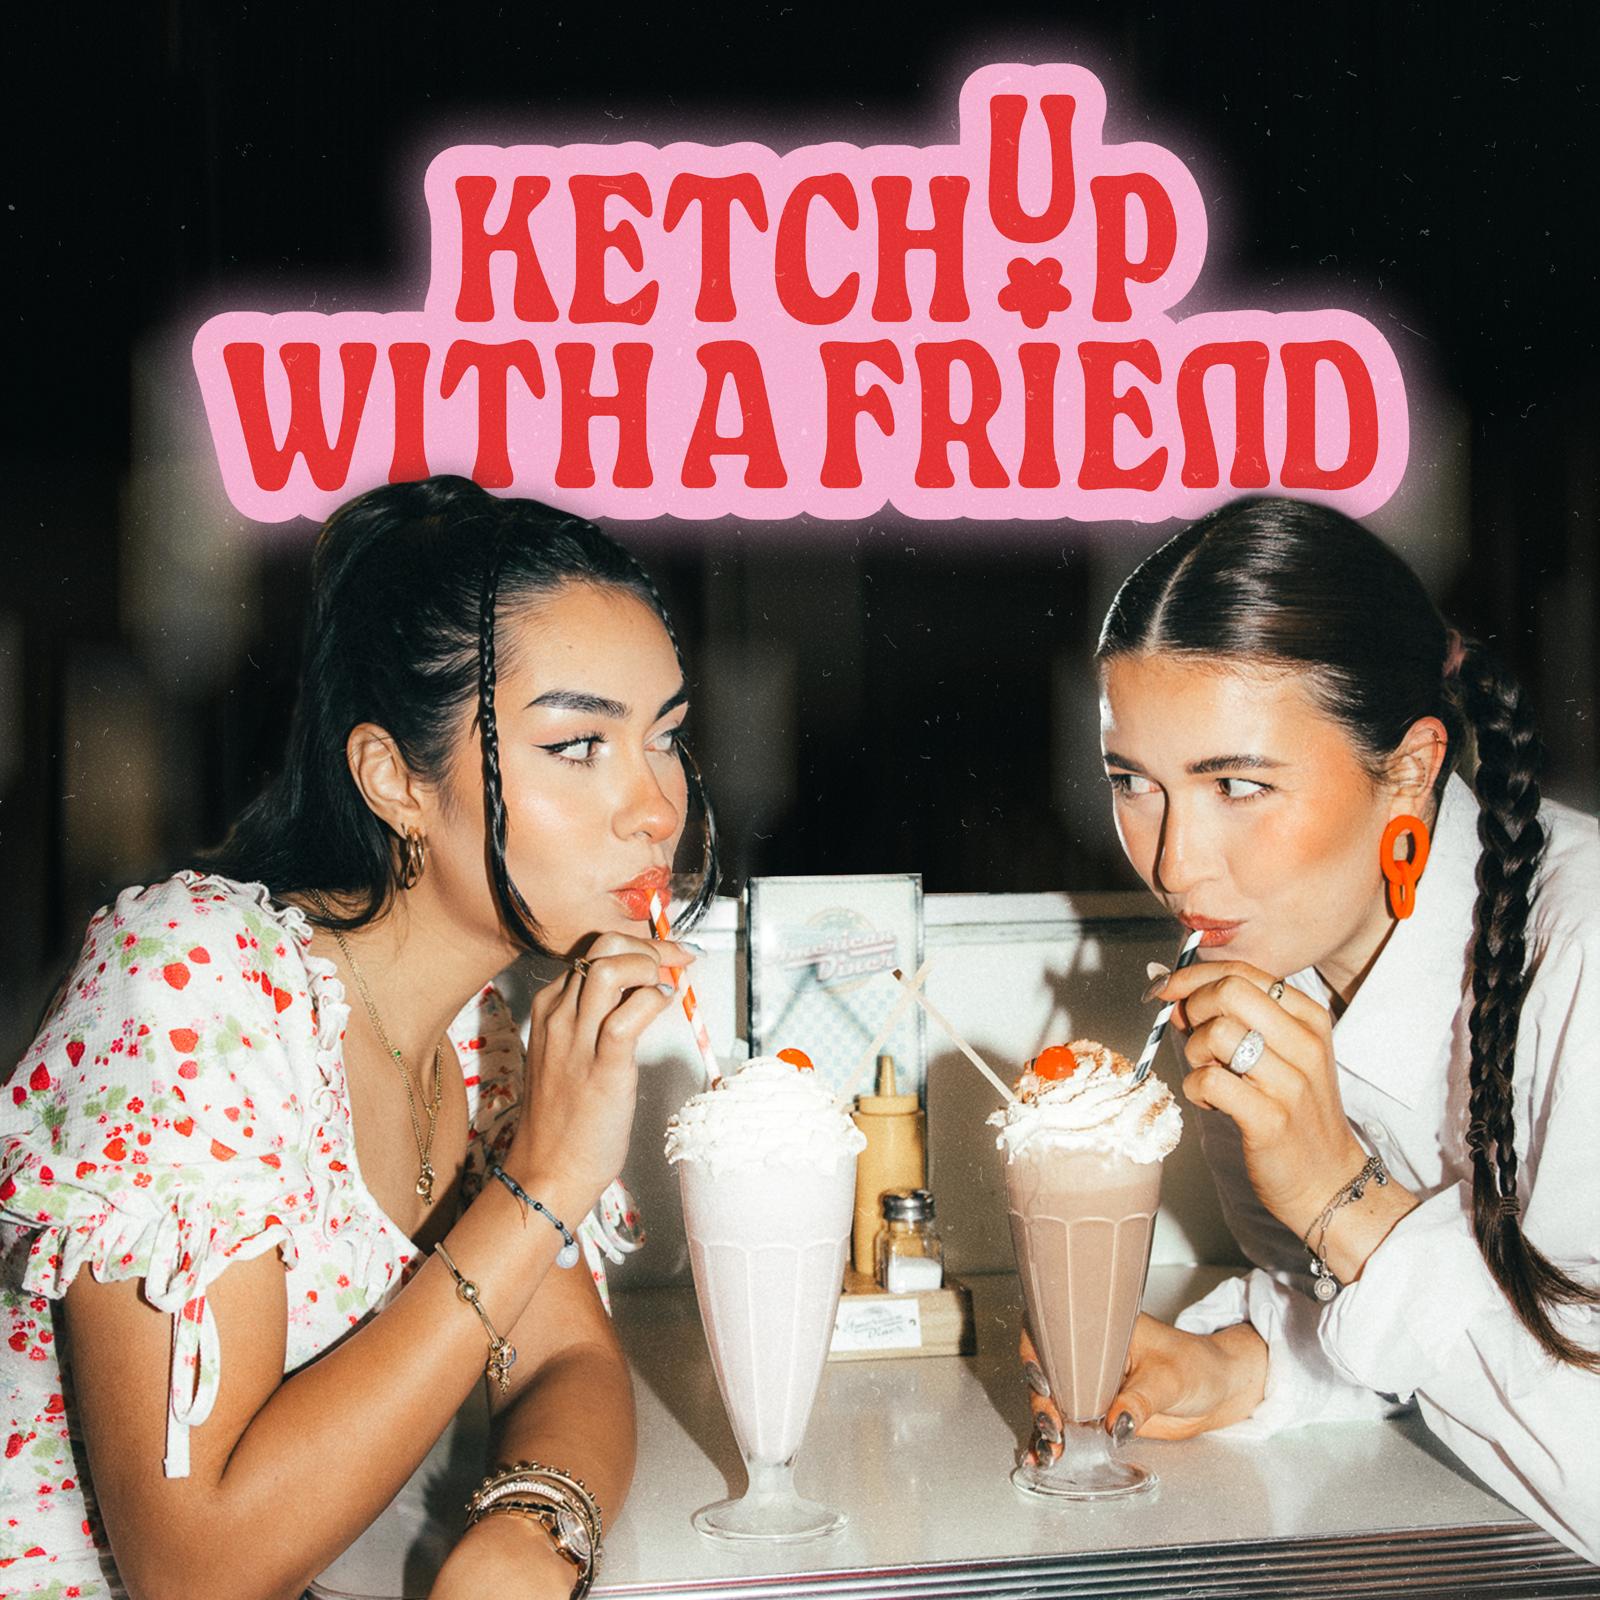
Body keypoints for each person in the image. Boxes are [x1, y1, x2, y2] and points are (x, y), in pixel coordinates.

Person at [1, 474, 715, 1599]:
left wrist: (533, 1529)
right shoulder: (192, 980)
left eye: (664, 736)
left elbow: (570, 1358)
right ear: (394, 781)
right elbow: (194, 1570)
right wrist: (543, 1183)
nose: (657, 809)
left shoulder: (479, 1031)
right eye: (579, 744)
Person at [1022, 496, 1599, 1562]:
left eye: (1238, 785)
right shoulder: (1264, 961)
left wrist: (1340, 1196)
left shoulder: (1583, 957)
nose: (1175, 864)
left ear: (1411, 771)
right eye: (1132, 783)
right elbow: (1416, 1343)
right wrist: (1246, 1365)